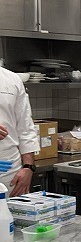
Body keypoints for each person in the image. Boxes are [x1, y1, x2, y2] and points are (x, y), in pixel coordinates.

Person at [0, 66, 40, 197]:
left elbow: (25, 127)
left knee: (10, 210)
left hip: (9, 171)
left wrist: (28, 167)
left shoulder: (12, 79)